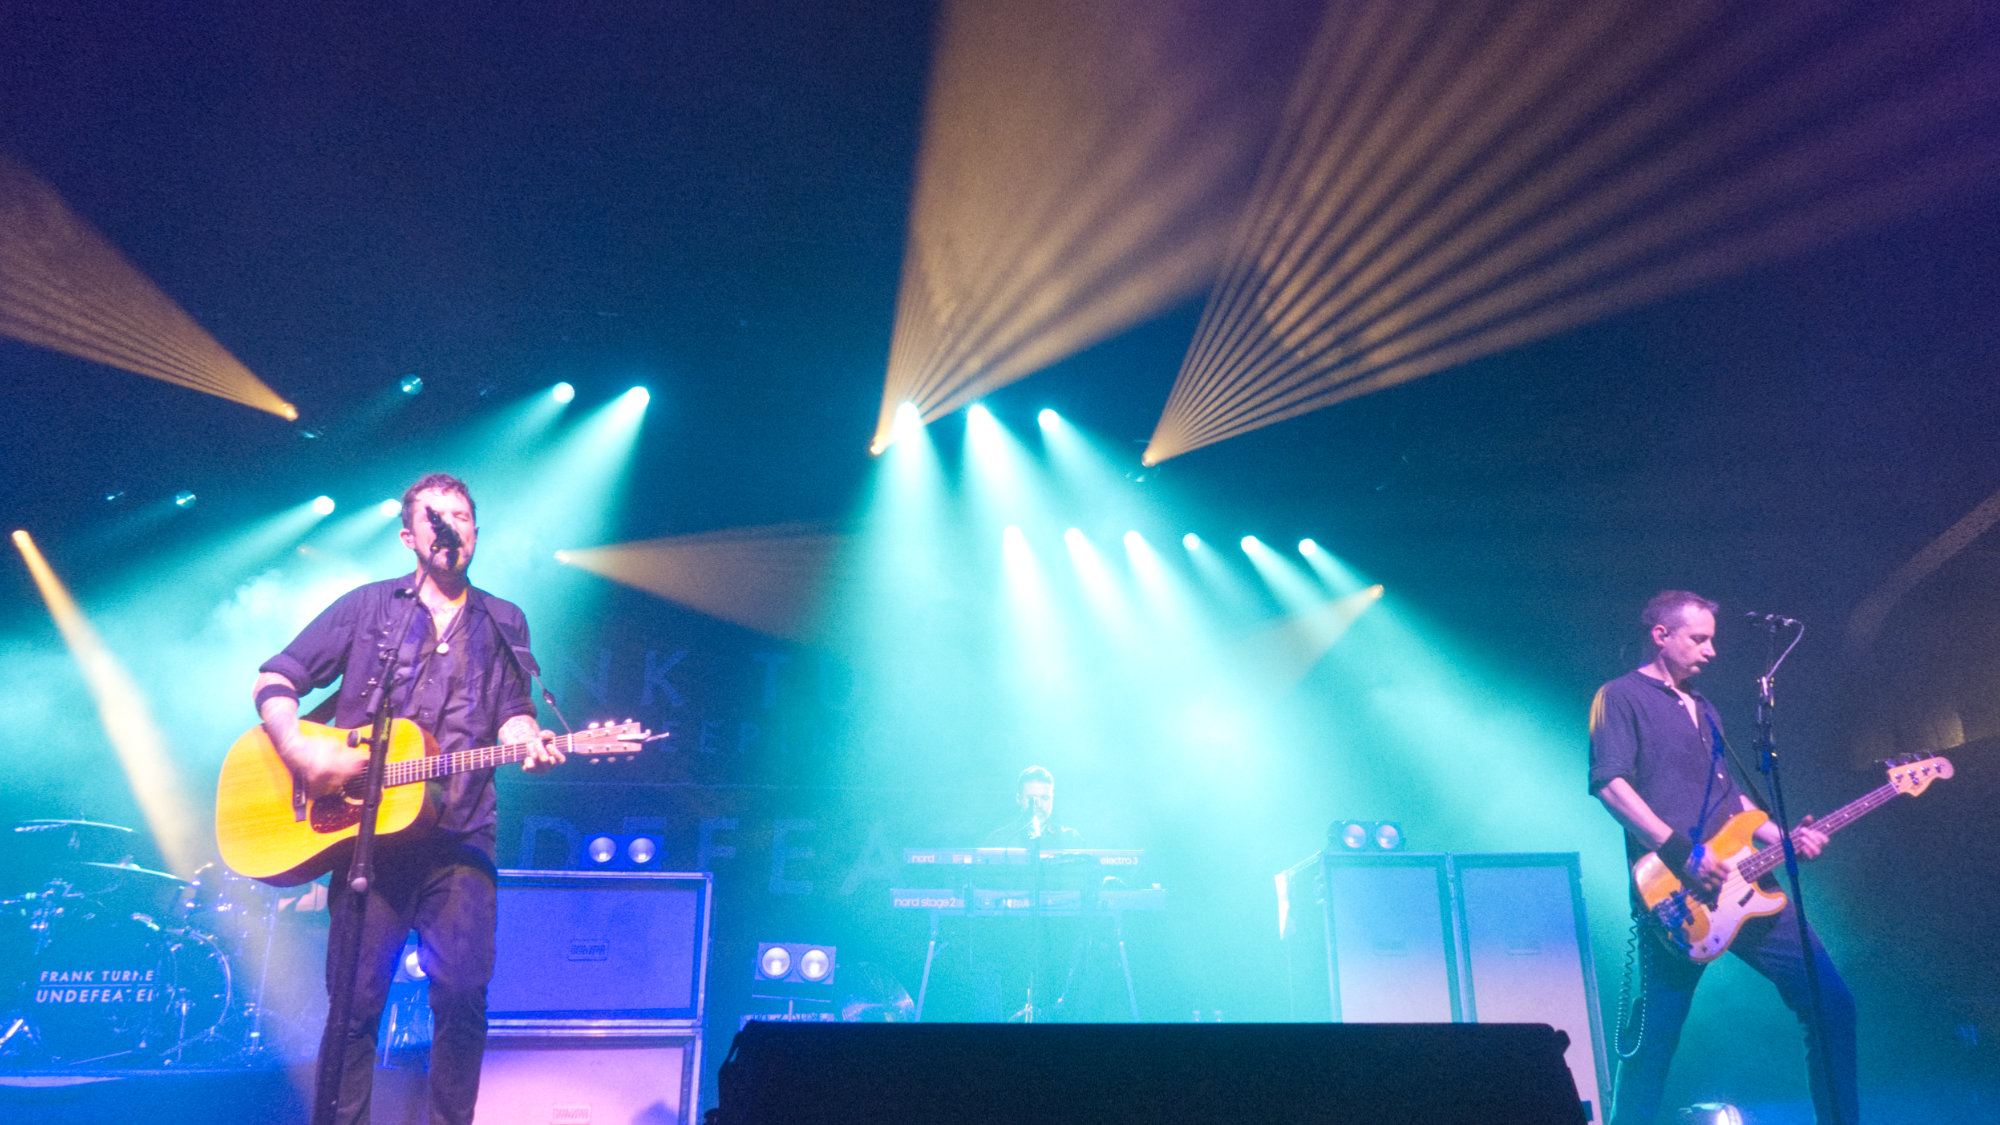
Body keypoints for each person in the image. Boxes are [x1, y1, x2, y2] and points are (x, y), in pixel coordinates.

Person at [251, 472, 561, 1125]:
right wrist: (301, 750)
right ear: (408, 535)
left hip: (461, 841)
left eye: (462, 517)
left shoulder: (504, 621)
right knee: (354, 1003)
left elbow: (512, 713)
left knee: (462, 992)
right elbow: (278, 676)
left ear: (476, 531)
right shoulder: (369, 609)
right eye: (435, 516)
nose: (450, 527)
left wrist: (527, 735)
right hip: (370, 843)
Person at [1589, 591, 1857, 1125]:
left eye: (1713, 639)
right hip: (1675, 894)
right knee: (1652, 1047)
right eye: (1699, 638)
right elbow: (1610, 785)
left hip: (1747, 885)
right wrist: (1679, 851)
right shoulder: (1618, 696)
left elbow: (1732, 799)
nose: (1711, 651)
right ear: (1661, 636)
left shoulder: (1704, 707)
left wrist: (1785, 837)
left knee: (1831, 1006)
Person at [982, 765, 1082, 848]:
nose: (1038, 804)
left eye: (1044, 798)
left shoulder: (1071, 839)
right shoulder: (999, 840)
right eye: (1031, 798)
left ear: (1052, 799)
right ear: (1018, 799)